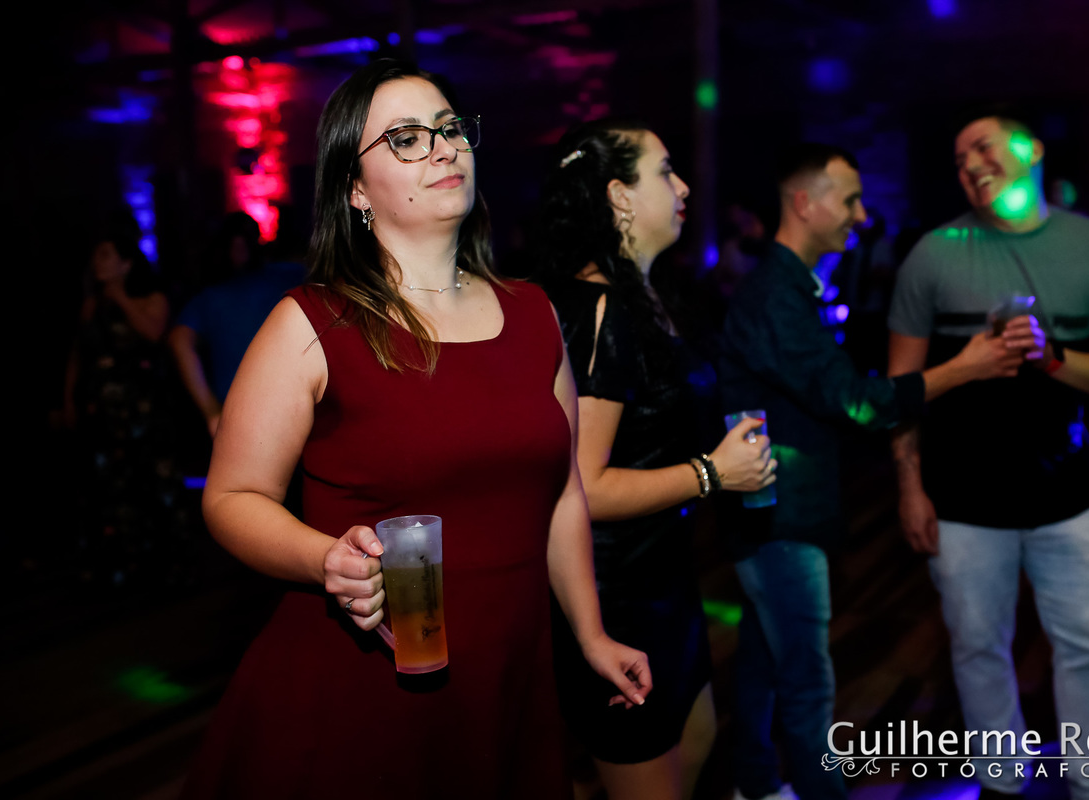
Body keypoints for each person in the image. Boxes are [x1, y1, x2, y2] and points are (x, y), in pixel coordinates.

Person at [181, 58, 651, 800]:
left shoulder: (533, 313)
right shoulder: (312, 324)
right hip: (360, 688)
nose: (443, 147)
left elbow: (562, 493)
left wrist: (590, 634)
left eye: (449, 128)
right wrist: (324, 558)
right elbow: (232, 496)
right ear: (355, 189)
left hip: (510, 677)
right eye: (405, 138)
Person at [718, 143, 1028, 800]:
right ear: (805, 203)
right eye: (851, 200)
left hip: (776, 509)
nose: (862, 216)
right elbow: (855, 403)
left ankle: (753, 782)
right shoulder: (775, 294)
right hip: (780, 517)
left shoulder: (791, 287)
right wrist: (963, 368)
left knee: (764, 658)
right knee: (807, 681)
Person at [887, 109, 1089, 800]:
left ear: (1031, 149)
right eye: (958, 159)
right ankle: (1002, 783)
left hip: (1068, 495)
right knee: (978, 651)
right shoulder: (934, 252)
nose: (970, 165)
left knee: (1088, 651)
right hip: (962, 499)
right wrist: (910, 487)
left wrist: (1053, 357)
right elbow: (900, 388)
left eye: (982, 146)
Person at [532, 119, 773, 800]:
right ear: (619, 196)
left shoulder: (643, 298)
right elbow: (582, 487)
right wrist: (712, 473)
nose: (685, 186)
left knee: (694, 740)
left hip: (664, 575)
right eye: (665, 171)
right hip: (615, 594)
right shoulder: (601, 310)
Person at [62, 231, 182, 589]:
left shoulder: (151, 298)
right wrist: (68, 399)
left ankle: (167, 566)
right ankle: (120, 567)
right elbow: (77, 356)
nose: (98, 262)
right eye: (96, 255)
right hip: (102, 411)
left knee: (154, 483)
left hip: (144, 409)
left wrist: (121, 298)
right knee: (110, 488)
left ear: (126, 263)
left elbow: (154, 334)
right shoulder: (90, 305)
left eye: (106, 255)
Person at [168, 212, 305, 438]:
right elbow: (179, 340)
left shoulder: (284, 276)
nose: (239, 247)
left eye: (244, 240)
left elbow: (179, 340)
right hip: (255, 411)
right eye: (235, 241)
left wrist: (211, 412)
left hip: (285, 405)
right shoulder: (211, 296)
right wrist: (212, 412)